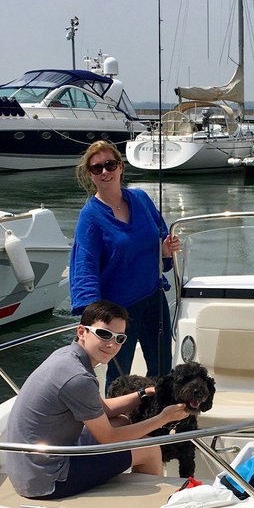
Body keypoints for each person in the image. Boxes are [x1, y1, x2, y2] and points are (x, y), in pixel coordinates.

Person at [5, 300, 190, 500]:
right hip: (48, 479)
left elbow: (104, 409)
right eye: (104, 334)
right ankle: (149, 505)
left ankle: (123, 480)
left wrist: (143, 393)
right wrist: (164, 418)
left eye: (120, 338)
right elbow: (107, 438)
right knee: (150, 448)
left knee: (122, 421)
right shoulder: (78, 378)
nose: (112, 344)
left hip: (29, 467)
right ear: (81, 332)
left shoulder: (67, 356)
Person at [69, 141, 180, 386]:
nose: (105, 172)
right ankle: (118, 412)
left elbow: (160, 233)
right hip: (117, 312)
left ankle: (159, 409)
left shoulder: (140, 198)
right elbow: (84, 268)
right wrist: (94, 319)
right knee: (119, 378)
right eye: (97, 168)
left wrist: (165, 249)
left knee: (163, 368)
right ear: (90, 175)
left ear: (121, 167)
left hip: (154, 297)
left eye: (110, 165)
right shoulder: (90, 217)